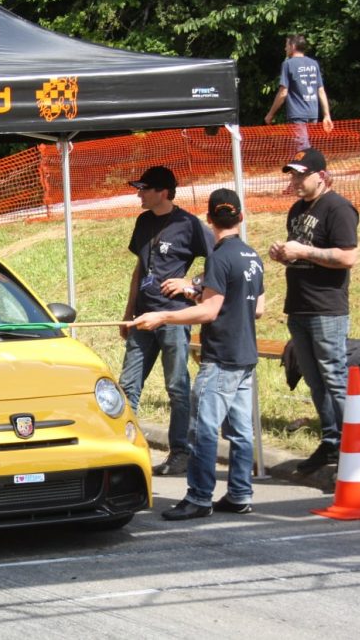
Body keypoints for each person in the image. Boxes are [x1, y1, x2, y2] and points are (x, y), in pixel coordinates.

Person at [131, 189, 266, 520]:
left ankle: (199, 497)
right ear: (241, 218)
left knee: (204, 429)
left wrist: (163, 316)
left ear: (209, 219)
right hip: (246, 355)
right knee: (240, 432)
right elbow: (258, 309)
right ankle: (239, 494)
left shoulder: (219, 258)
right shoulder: (252, 256)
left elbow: (209, 311)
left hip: (221, 357)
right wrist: (196, 294)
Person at [268, 148, 358, 475]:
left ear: (321, 175)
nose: (296, 181)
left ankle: (356, 445)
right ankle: (331, 441)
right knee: (315, 381)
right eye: (293, 175)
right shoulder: (296, 209)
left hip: (327, 308)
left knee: (334, 377)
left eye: (302, 175)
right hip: (299, 306)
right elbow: (303, 253)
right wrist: (284, 254)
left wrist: (302, 250)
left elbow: (348, 257)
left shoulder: (338, 208)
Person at [119, 166, 213, 476]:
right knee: (128, 385)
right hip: (143, 317)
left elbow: (219, 260)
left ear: (163, 192)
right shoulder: (143, 221)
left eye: (144, 189)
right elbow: (137, 270)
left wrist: (191, 285)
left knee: (176, 386)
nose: (138, 194)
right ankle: (124, 449)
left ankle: (180, 452)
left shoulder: (188, 224)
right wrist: (128, 312)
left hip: (173, 316)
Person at [264, 34, 334, 150]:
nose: (285, 48)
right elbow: (321, 91)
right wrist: (327, 115)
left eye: (286, 45)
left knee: (302, 150)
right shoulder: (313, 64)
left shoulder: (288, 64)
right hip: (313, 114)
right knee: (308, 149)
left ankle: (306, 167)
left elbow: (283, 93)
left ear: (293, 46)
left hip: (297, 115)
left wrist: (270, 114)